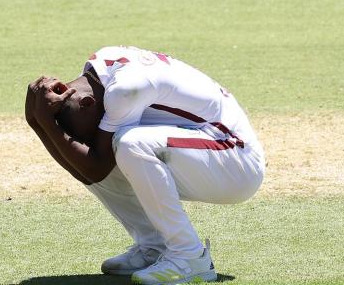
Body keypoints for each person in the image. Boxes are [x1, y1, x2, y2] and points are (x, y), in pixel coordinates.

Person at [25, 46, 265, 285]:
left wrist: (46, 124)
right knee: (108, 148)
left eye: (84, 135)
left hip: (236, 160)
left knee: (129, 144)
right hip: (208, 147)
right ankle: (155, 246)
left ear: (87, 102)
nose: (87, 140)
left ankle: (189, 257)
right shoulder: (98, 71)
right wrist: (36, 122)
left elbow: (95, 168)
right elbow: (87, 166)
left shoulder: (123, 91)